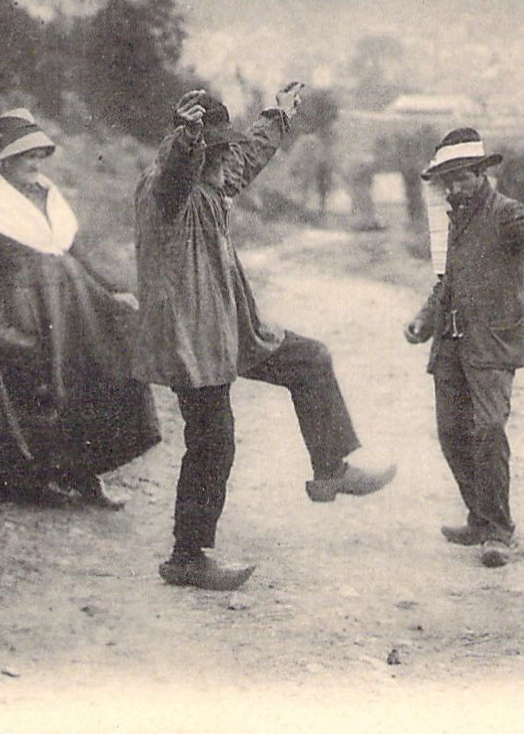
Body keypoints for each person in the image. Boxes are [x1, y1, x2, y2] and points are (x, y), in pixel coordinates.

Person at [134, 86, 396, 591]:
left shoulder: (212, 183)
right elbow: (175, 177)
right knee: (213, 442)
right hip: (191, 340)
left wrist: (276, 115)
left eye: (220, 145)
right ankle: (188, 555)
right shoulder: (164, 191)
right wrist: (187, 142)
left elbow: (245, 158)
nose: (226, 154)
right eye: (216, 147)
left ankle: (330, 469)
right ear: (194, 147)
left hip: (229, 329)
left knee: (310, 360)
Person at [0, 109, 161, 508]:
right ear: (5, 162)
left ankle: (84, 473)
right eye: (25, 156)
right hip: (24, 307)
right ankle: (31, 479)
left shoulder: (47, 192)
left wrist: (110, 289)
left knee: (92, 375)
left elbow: (75, 252)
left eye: (38, 155)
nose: (35, 164)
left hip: (72, 303)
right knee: (37, 386)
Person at [405, 128, 524, 568]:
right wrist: (425, 319)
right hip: (451, 344)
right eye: (448, 180)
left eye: (462, 178)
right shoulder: (452, 217)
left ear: (481, 173)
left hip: (493, 345)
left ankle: (498, 531)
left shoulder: (505, 213)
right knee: (450, 434)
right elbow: (447, 279)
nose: (455, 188)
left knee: (489, 430)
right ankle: (479, 518)